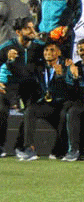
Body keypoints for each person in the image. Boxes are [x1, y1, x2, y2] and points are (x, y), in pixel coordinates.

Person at [16, 42, 70, 161]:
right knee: (30, 110)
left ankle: (58, 151)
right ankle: (28, 148)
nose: (48, 53)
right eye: (46, 50)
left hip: (61, 104)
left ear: (59, 53)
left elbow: (69, 90)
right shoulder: (39, 67)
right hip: (46, 104)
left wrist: (60, 76)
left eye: (52, 50)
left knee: (64, 117)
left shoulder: (67, 66)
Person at [0, 17, 45, 156]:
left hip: (30, 87)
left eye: (32, 27)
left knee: (31, 110)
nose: (32, 31)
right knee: (1, 109)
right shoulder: (7, 46)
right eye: (27, 28)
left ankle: (21, 147)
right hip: (9, 85)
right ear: (18, 32)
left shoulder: (39, 46)